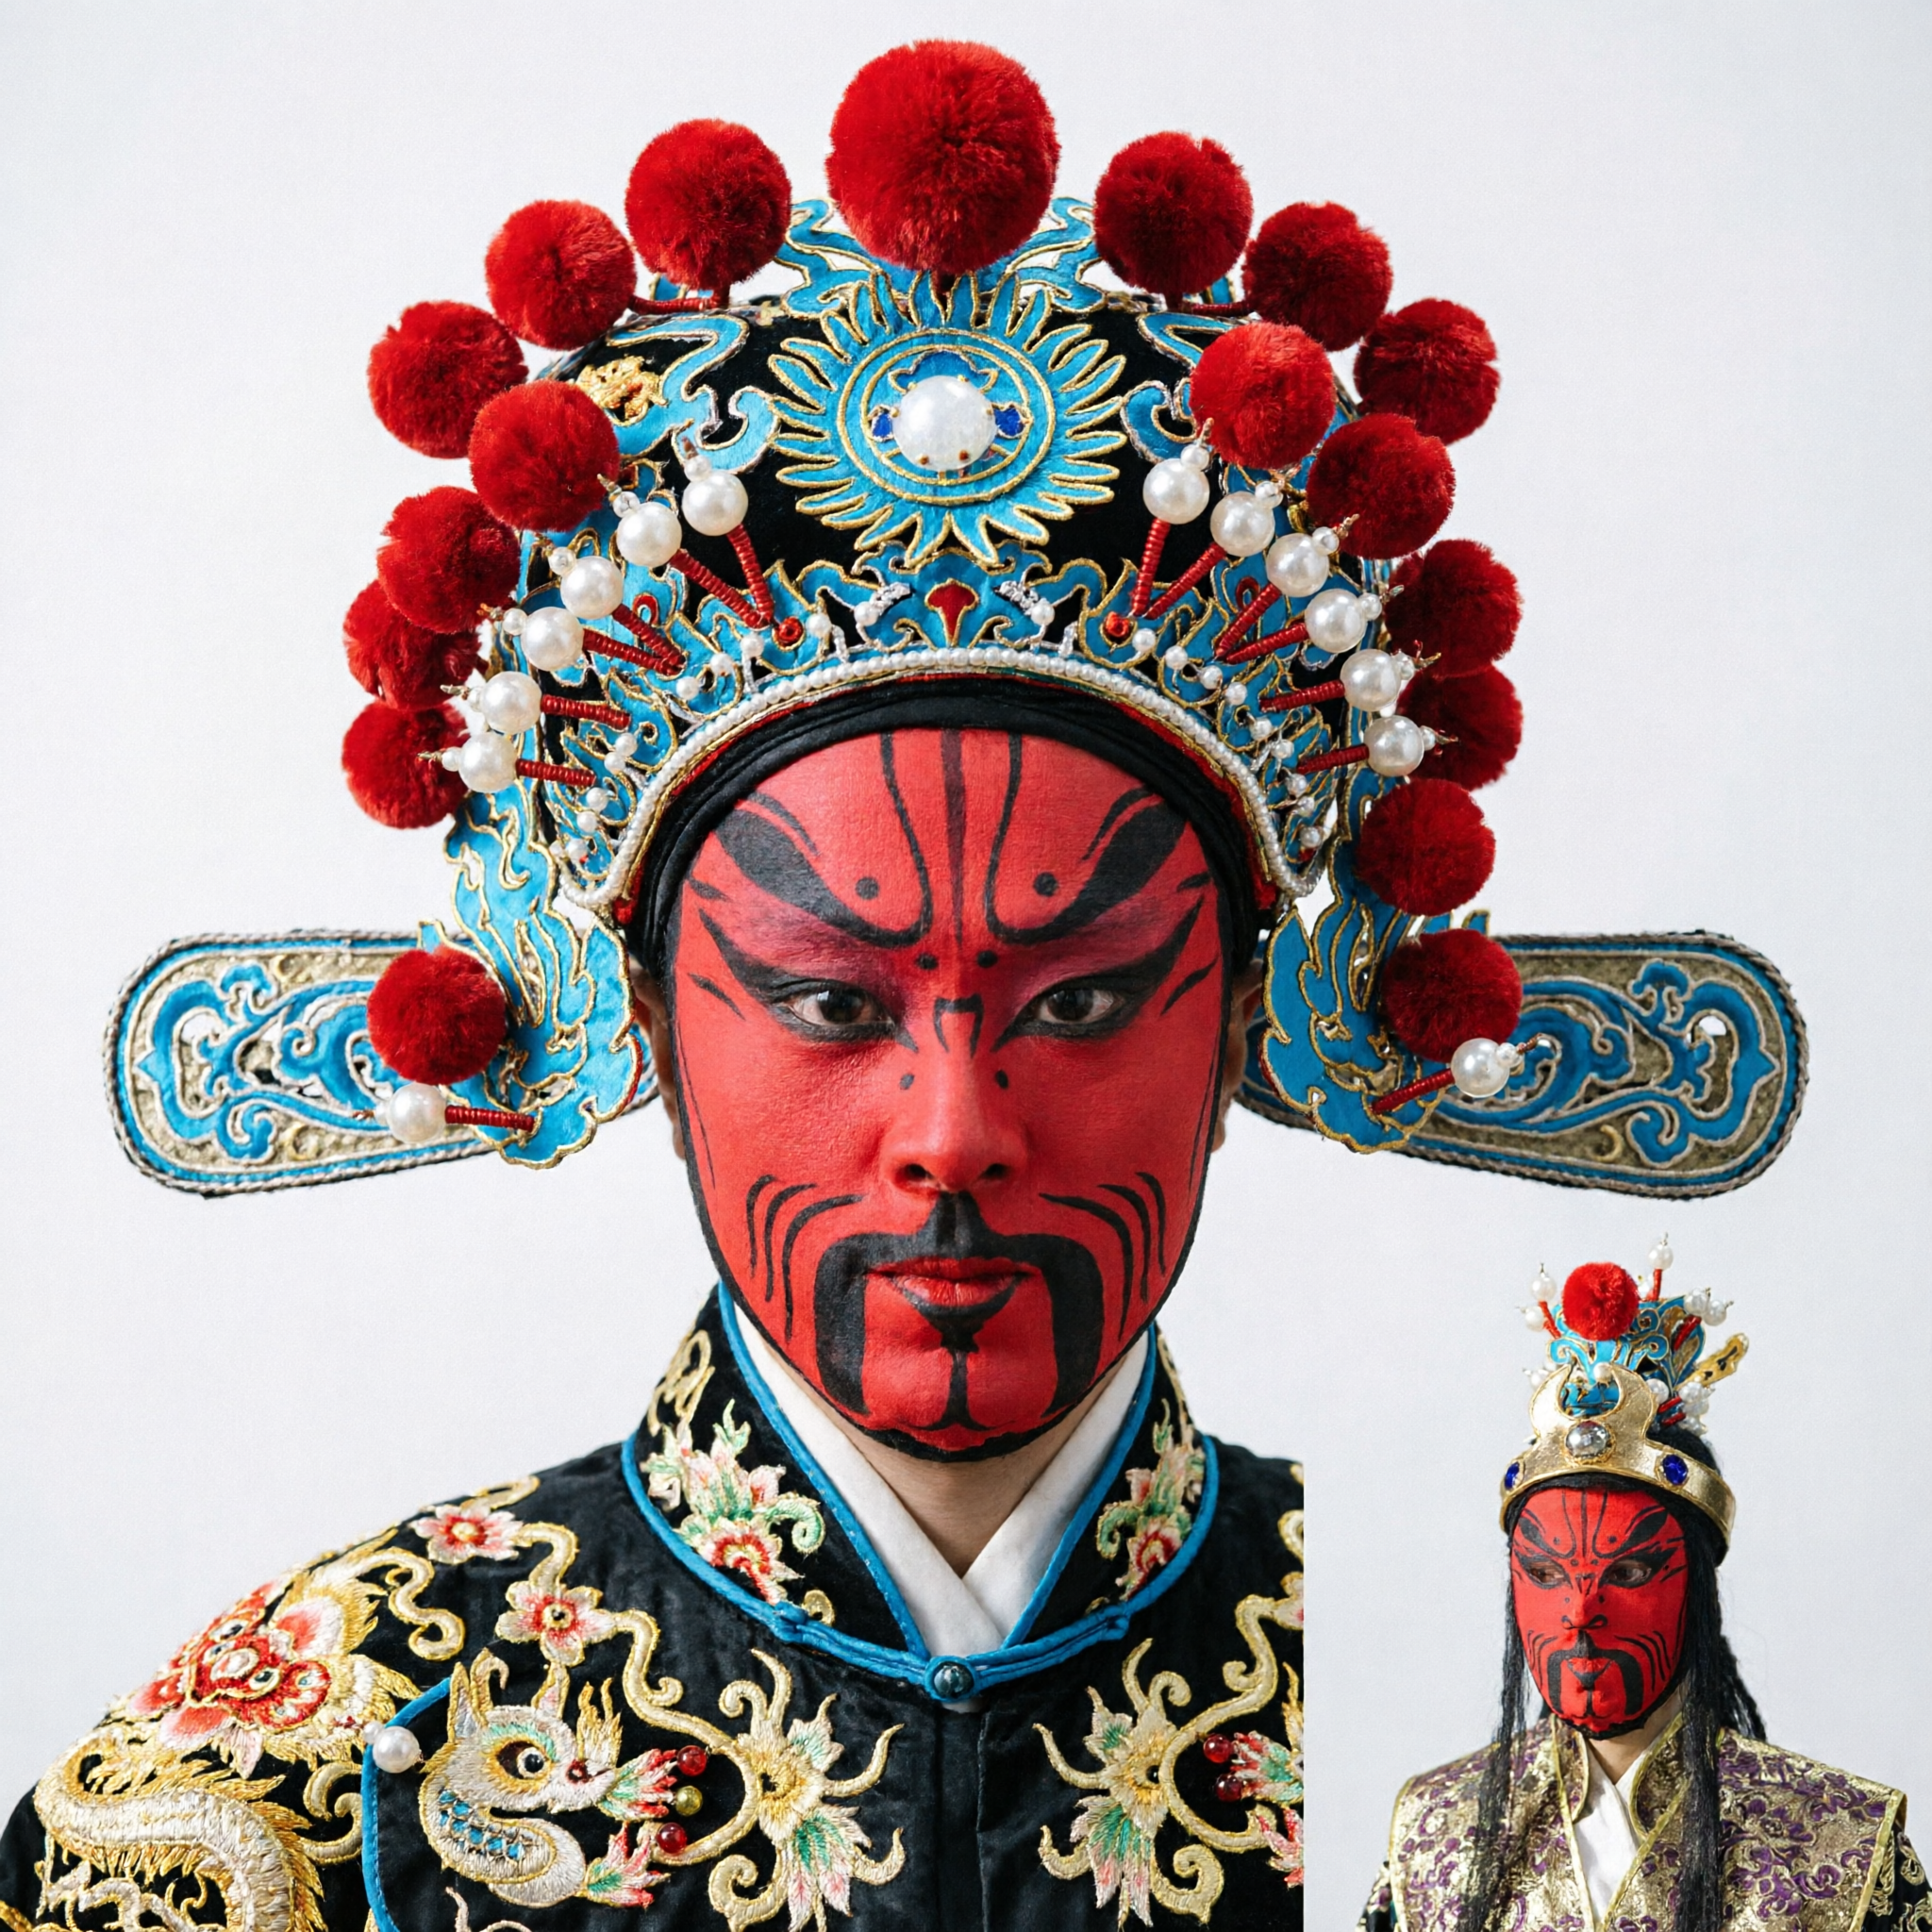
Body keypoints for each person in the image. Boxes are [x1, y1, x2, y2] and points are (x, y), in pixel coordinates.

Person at [1, 38, 1803, 1932]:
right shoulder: (328, 1752)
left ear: (1252, 1011)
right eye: (836, 1004)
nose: (954, 1137)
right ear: (641, 1010)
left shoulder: (1527, 1770)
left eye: (1084, 1001)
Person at [1357, 1251, 1927, 1932]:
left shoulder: (1843, 1838)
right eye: (1545, 1574)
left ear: (1698, 1587)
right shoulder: (1434, 1832)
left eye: (1626, 1573)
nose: (1579, 1612)